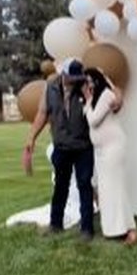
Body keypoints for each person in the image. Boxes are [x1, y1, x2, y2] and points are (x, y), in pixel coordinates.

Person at [23, 57, 95, 240]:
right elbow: (42, 113)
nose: (76, 80)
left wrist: (89, 96)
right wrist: (31, 137)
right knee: (60, 186)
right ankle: (56, 225)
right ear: (64, 74)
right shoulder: (51, 87)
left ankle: (87, 229)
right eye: (73, 77)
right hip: (61, 146)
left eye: (78, 76)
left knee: (84, 185)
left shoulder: (86, 85)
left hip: (83, 147)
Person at [82, 67, 137, 245]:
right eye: (86, 82)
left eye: (90, 81)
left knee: (116, 187)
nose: (88, 85)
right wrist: (89, 101)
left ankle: (131, 229)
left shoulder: (106, 95)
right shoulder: (95, 99)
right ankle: (114, 229)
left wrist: (88, 98)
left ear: (97, 81)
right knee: (106, 189)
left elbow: (93, 120)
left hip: (113, 148)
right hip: (100, 150)